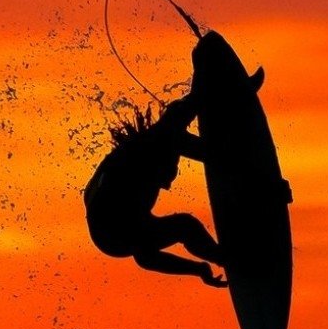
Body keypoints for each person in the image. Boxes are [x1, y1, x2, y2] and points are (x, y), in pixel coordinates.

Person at [84, 75, 226, 288]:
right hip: (110, 229)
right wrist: (198, 268)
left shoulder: (143, 155)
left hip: (111, 210)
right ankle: (225, 258)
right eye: (168, 176)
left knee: (171, 130)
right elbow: (146, 258)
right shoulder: (129, 196)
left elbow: (173, 127)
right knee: (184, 225)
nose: (169, 182)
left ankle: (223, 257)